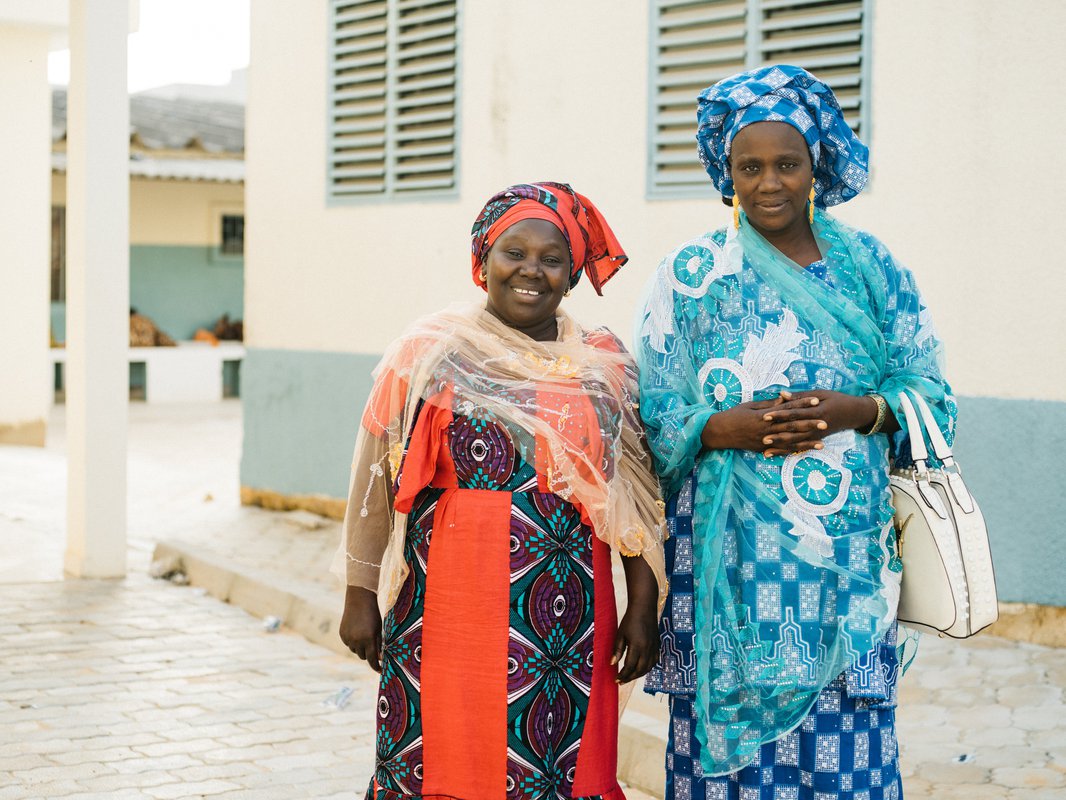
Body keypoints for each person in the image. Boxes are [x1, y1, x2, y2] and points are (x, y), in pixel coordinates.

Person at [636, 65, 956, 799]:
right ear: (727, 172)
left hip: (843, 558)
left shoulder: (873, 270)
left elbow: (932, 397)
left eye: (788, 164)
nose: (770, 182)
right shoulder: (690, 275)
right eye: (750, 166)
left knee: (846, 740)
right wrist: (719, 426)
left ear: (818, 166)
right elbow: (651, 406)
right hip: (730, 561)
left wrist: (857, 412)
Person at [337, 182, 667, 800]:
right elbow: (373, 481)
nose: (531, 271)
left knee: (555, 763)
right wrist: (359, 595)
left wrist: (641, 607)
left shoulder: (600, 365)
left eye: (552, 258)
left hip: (562, 612)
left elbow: (634, 495)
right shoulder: (429, 353)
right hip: (442, 598)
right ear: (482, 259)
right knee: (441, 751)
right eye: (514, 252)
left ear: (572, 276)